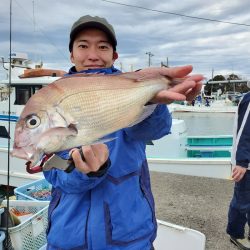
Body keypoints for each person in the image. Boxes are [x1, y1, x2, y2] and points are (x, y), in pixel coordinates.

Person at [43, 15, 203, 250]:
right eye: (83, 45)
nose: (93, 55)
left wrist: (151, 102)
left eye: (103, 46)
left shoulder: (131, 85)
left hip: (130, 236)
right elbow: (51, 170)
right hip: (67, 236)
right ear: (71, 54)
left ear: (114, 55)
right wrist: (83, 172)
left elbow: (156, 129)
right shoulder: (52, 98)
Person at [227, 91, 250, 250]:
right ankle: (236, 234)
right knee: (242, 202)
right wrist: (242, 163)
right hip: (246, 165)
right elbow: (244, 131)